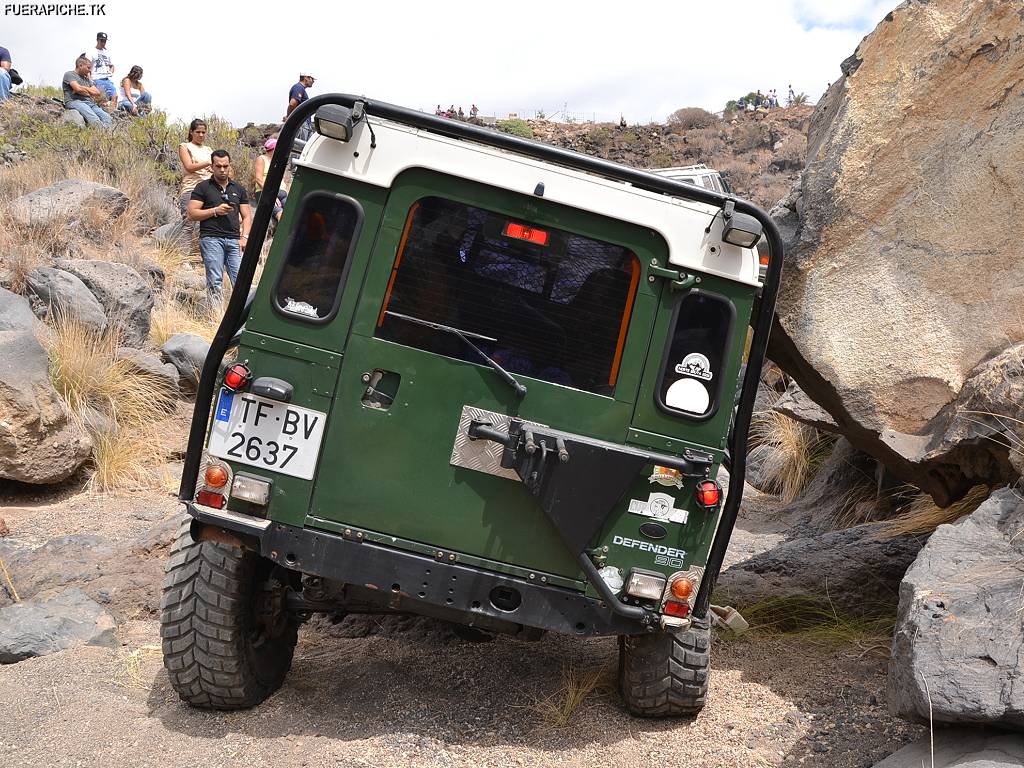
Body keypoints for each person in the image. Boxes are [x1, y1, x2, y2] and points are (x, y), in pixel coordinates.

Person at [188, 150, 251, 306]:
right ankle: (215, 317)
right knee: (215, 280)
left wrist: (245, 237)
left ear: (230, 166)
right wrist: (215, 211)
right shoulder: (203, 187)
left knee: (240, 281)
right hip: (211, 239)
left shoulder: (239, 188)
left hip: (234, 240)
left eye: (225, 166)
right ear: (212, 166)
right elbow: (192, 213)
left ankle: (240, 317)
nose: (222, 169)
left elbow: (247, 216)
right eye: (218, 166)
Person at [177, 119, 214, 243]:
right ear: (191, 132)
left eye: (203, 132)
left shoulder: (209, 149)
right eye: (198, 132)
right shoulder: (185, 146)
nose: (201, 135)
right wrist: (208, 163)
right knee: (188, 223)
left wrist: (213, 168)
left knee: (208, 225)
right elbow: (189, 167)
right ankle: (183, 259)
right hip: (191, 188)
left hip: (208, 188)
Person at [62, 55, 113, 128]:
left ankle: (106, 134)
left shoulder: (87, 79)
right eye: (88, 68)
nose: (90, 70)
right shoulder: (69, 74)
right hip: (74, 101)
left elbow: (97, 93)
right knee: (94, 119)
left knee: (107, 117)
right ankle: (100, 134)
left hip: (90, 103)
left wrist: (83, 88)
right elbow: (78, 89)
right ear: (80, 65)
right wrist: (88, 91)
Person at [253, 137, 288, 222]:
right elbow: (259, 179)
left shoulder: (277, 161)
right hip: (266, 192)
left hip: (282, 192)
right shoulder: (262, 159)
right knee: (280, 214)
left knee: (291, 212)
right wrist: (272, 195)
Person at [89, 32, 116, 108]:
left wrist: (111, 71)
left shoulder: (107, 53)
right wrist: (90, 79)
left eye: (105, 41)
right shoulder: (91, 51)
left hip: (107, 79)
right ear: (97, 40)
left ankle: (112, 113)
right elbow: (88, 66)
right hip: (96, 78)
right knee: (102, 99)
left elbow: (112, 65)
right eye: (102, 40)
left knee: (115, 96)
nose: (103, 42)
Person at [286, 72, 314, 140]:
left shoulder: (301, 89)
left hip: (305, 124)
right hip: (302, 124)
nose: (313, 81)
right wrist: (289, 118)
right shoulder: (299, 87)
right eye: (312, 79)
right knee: (300, 147)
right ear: (306, 78)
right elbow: (292, 104)